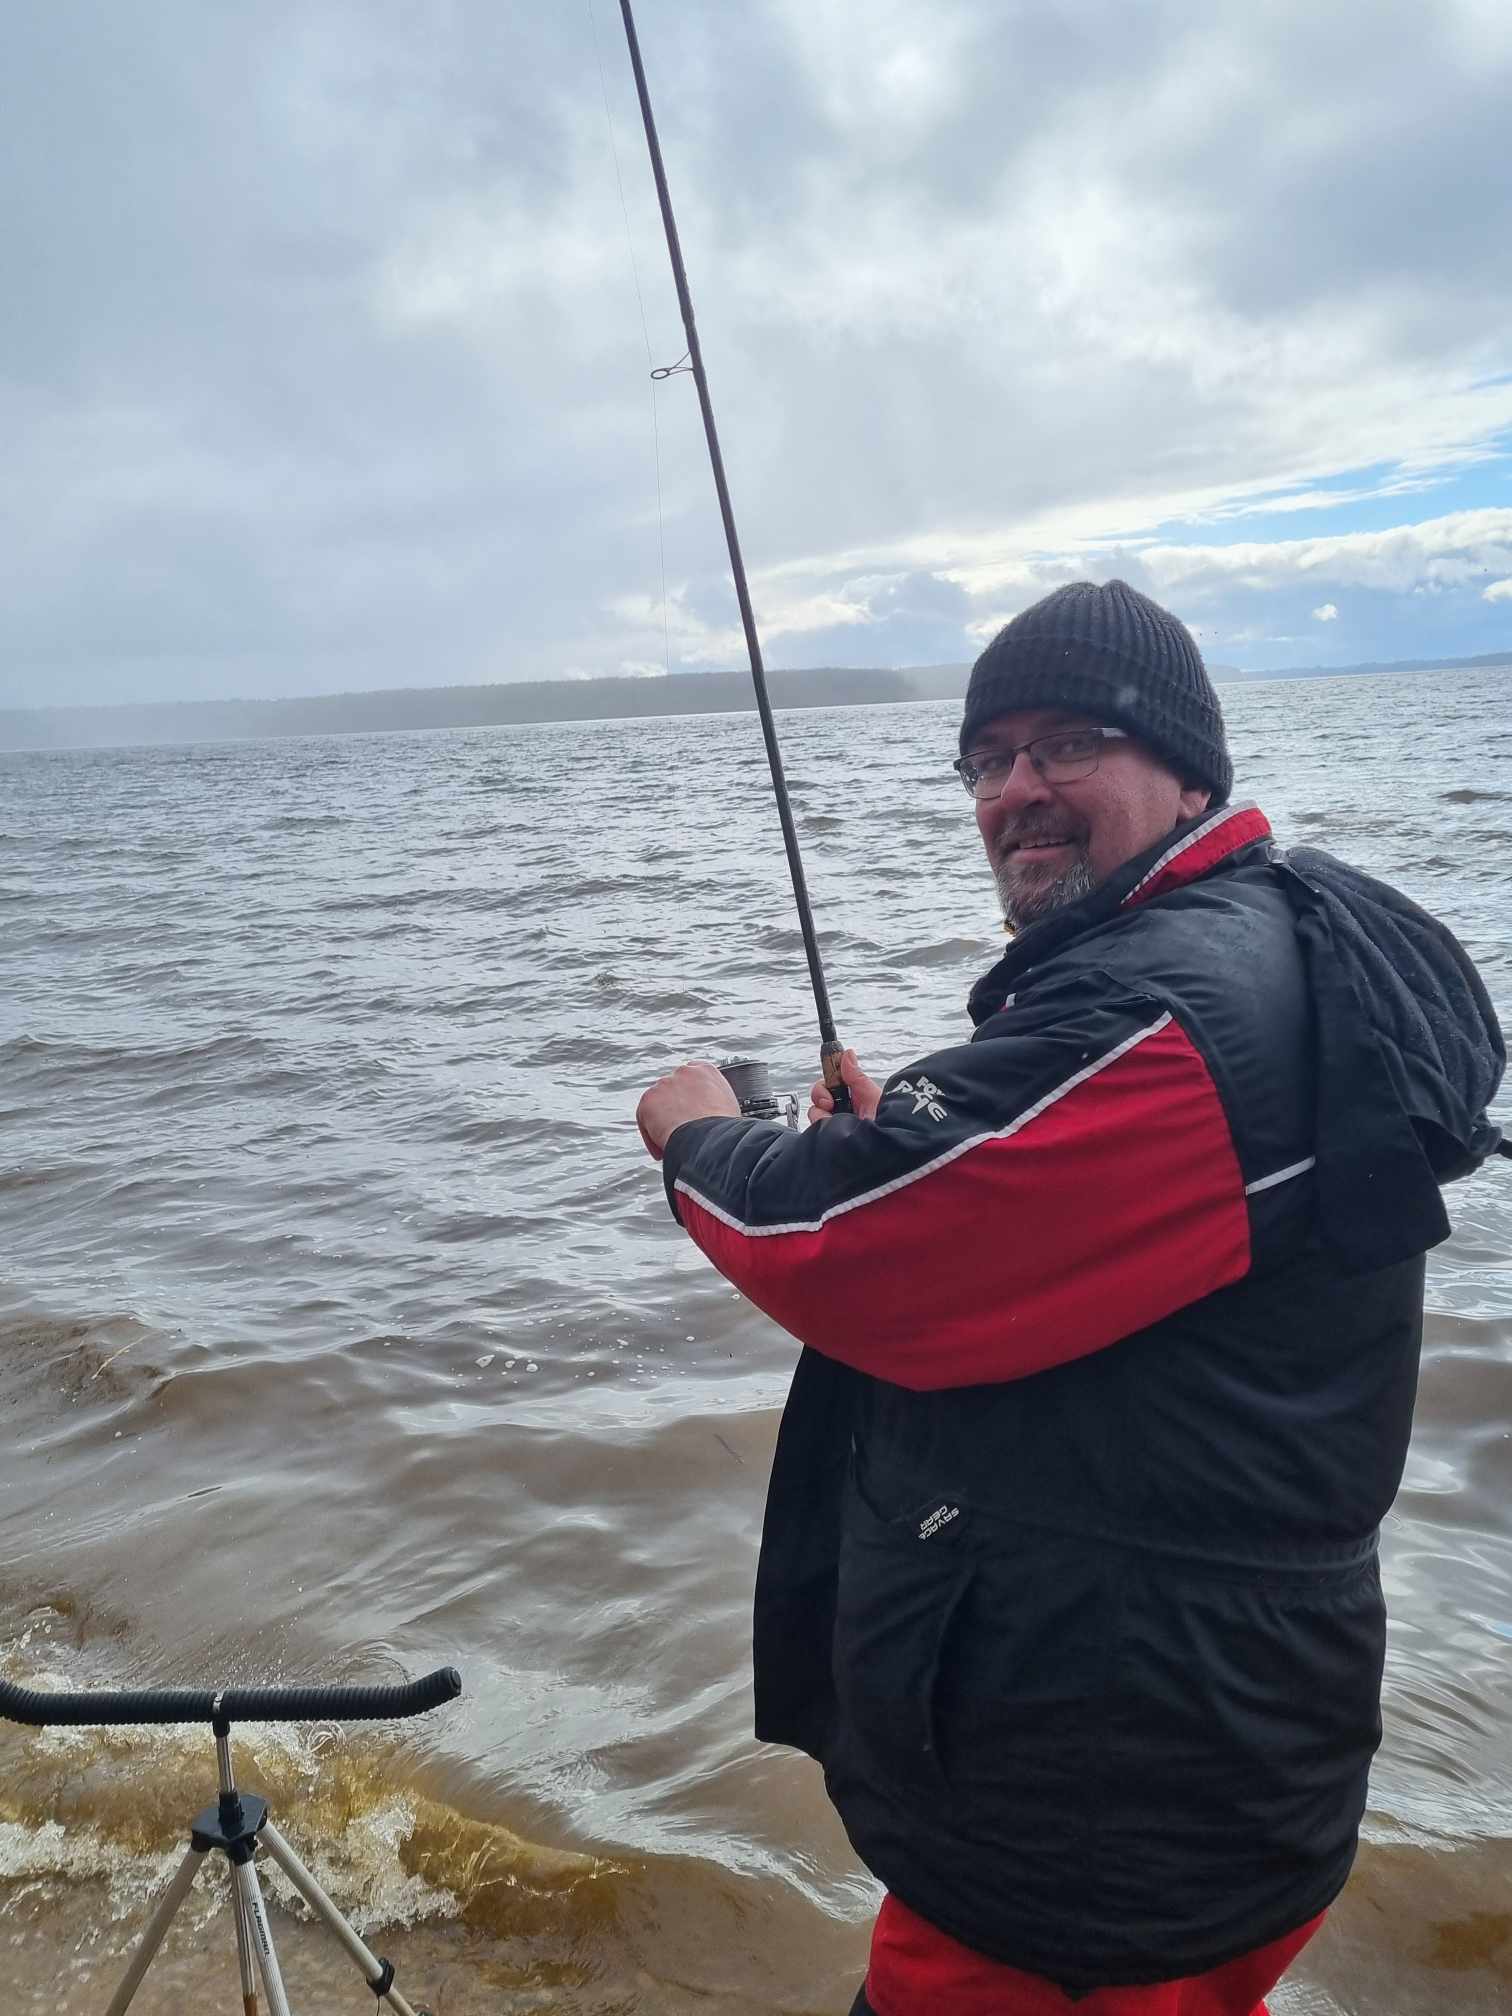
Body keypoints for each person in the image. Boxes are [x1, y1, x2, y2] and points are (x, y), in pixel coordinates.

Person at [635, 579, 1507, 2016]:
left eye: (1072, 742)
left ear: (1190, 773)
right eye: (989, 758)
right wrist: (914, 1143)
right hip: (1222, 1741)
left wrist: (696, 1139)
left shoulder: (1163, 1017)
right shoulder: (1268, 937)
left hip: (1098, 1816)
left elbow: (855, 1250)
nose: (1018, 789)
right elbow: (1050, 1202)